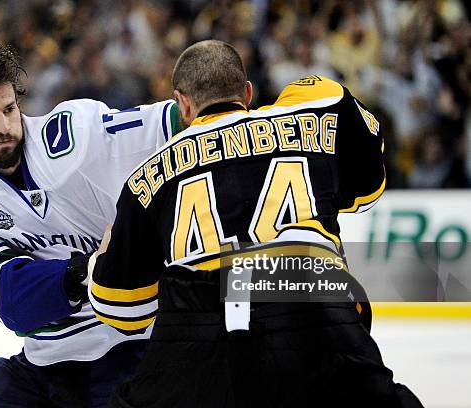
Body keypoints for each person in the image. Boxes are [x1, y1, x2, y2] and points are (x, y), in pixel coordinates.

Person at [89, 40, 424, 407]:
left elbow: (121, 308)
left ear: (182, 103)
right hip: (310, 310)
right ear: (247, 92)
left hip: (201, 335)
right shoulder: (313, 114)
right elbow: (367, 185)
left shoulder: (146, 178)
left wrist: (99, 259)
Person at [0, 43, 180, 407]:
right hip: (45, 360)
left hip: (134, 343)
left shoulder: (76, 135)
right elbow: (13, 301)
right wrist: (91, 268)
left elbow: (184, 118)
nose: (4, 126)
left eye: (9, 109)